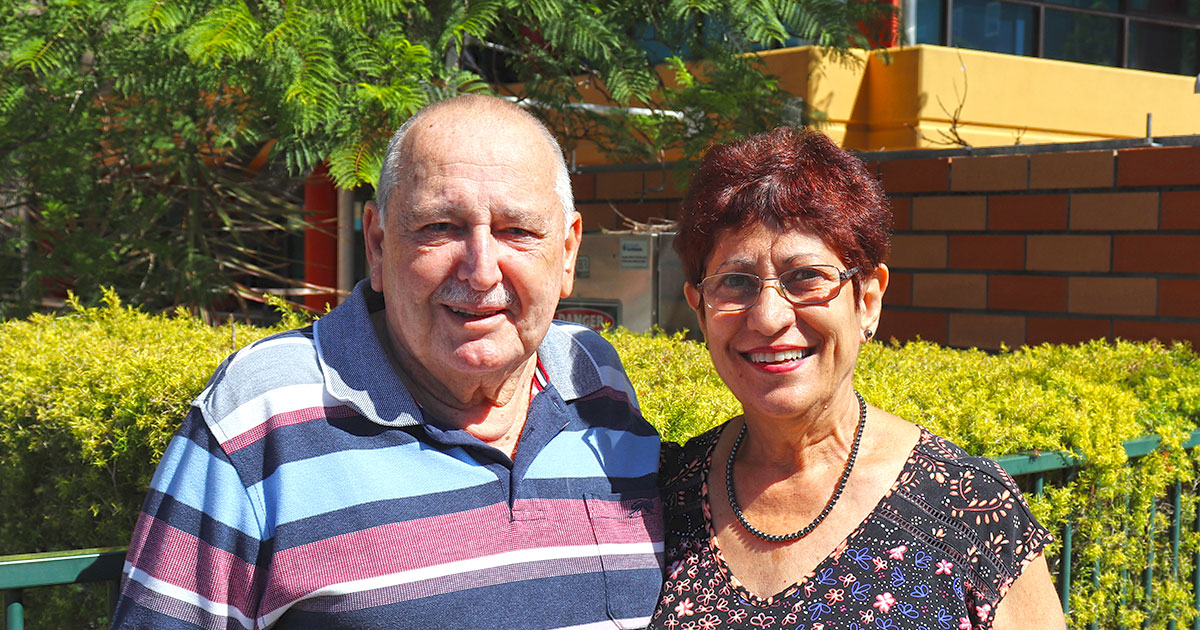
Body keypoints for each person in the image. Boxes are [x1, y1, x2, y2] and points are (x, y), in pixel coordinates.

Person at [111, 95, 664, 630]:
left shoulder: (594, 379)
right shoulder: (261, 412)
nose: (480, 270)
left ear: (567, 253)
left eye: (516, 231)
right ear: (377, 244)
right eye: (439, 228)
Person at [648, 128, 1065, 630]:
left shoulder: (971, 507)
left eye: (805, 276)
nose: (769, 317)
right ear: (700, 308)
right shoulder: (664, 497)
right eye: (736, 281)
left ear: (868, 300)